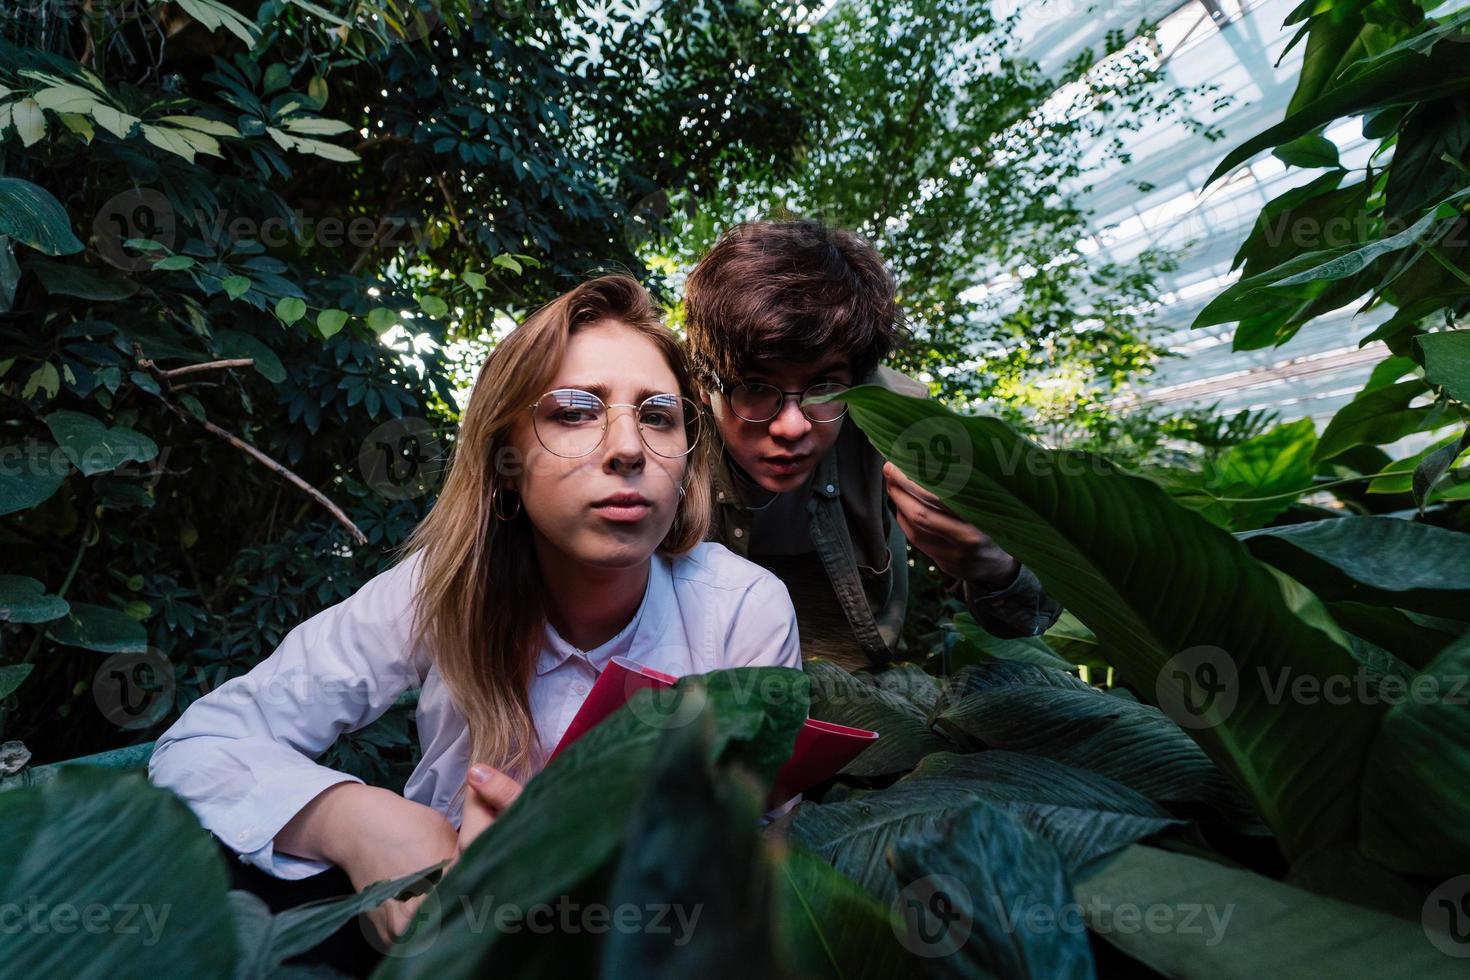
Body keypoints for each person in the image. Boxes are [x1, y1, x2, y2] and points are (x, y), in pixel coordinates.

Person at [148, 274, 802, 947]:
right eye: (575, 410)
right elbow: (198, 746)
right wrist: (354, 822)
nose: (629, 448)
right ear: (505, 461)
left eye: (658, 414)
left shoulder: (743, 611)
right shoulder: (437, 590)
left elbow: (756, 865)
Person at [683, 219, 1063, 673]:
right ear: (706, 385)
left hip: (855, 679)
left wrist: (994, 565)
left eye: (824, 387)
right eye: (754, 387)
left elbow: (1030, 614)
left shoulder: (900, 421)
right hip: (706, 675)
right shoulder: (668, 421)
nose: (790, 427)